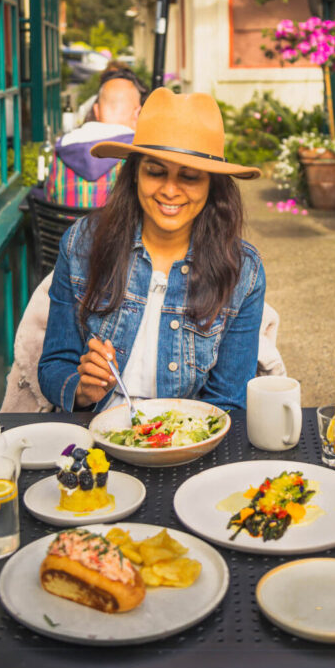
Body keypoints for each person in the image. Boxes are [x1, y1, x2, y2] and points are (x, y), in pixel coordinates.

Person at [38, 88, 266, 413]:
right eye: (155, 172)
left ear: (212, 186)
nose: (170, 190)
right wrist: (79, 387)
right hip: (94, 438)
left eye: (189, 177)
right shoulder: (81, 244)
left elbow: (227, 402)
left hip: (191, 442)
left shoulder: (243, 271)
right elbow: (52, 365)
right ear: (134, 175)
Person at [44, 68, 142, 207]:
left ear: (96, 110)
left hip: (65, 229)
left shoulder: (63, 149)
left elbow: (49, 198)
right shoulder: (137, 155)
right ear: (137, 113)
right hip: (116, 229)